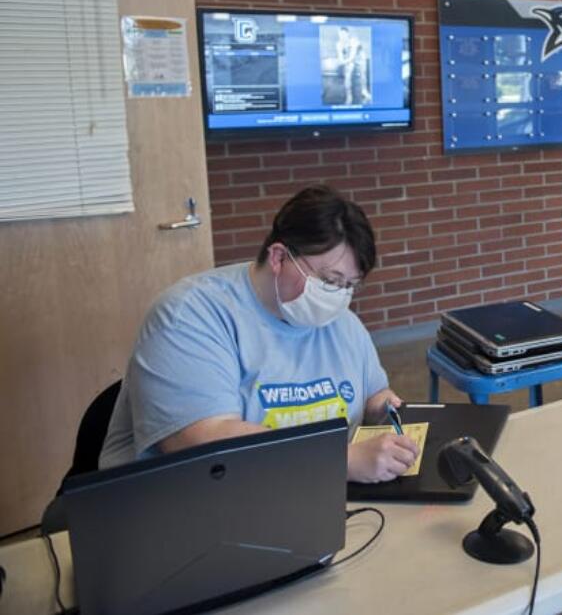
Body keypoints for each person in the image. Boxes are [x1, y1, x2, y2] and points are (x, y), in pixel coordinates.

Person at [100, 185, 419, 483]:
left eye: (349, 285)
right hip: (189, 501)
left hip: (300, 494)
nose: (338, 296)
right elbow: (204, 443)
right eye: (329, 280)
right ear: (279, 257)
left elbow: (372, 394)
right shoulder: (189, 315)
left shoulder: (342, 325)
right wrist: (340, 459)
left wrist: (378, 405)